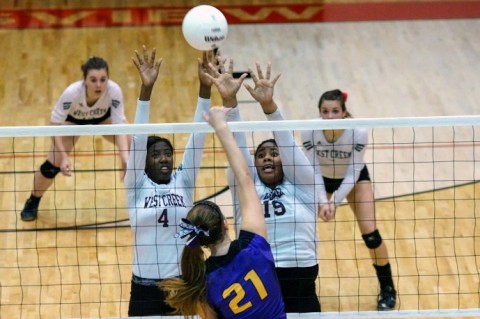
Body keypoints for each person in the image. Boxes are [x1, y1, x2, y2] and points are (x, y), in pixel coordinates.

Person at [207, 58, 322, 313]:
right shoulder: (247, 190)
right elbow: (236, 150)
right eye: (260, 155)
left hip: (302, 276)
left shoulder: (303, 186)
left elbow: (289, 146)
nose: (267, 157)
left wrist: (269, 106)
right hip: (261, 276)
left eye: (273, 152)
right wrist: (230, 103)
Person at [160, 105, 286, 319]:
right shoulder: (254, 246)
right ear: (225, 223)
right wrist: (221, 126)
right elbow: (245, 178)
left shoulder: (204, 284)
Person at [125, 46, 213, 316]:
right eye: (156, 155)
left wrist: (205, 89)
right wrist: (146, 91)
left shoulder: (182, 182)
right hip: (144, 286)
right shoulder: (136, 186)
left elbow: (197, 137)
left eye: (167, 154)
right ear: (145, 161)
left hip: (182, 284)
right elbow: (139, 139)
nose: (164, 159)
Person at [301, 89, 397, 311]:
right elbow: (313, 168)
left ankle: (388, 288)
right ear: (319, 113)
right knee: (300, 229)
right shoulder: (309, 130)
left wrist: (334, 203)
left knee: (371, 236)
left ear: (344, 112)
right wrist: (323, 201)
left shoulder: (358, 131)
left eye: (335, 111)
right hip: (320, 178)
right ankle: (295, 288)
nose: (330, 116)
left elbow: (354, 172)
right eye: (325, 111)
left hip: (353, 178)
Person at [20, 55, 131, 221]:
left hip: (104, 119)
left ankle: (148, 200)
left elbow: (119, 126)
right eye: (93, 80)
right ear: (84, 80)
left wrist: (125, 160)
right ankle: (33, 201)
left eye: (103, 79)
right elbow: (55, 126)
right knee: (53, 164)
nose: (98, 85)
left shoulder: (114, 91)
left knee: (135, 146)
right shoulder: (71, 93)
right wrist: (64, 157)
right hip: (73, 122)